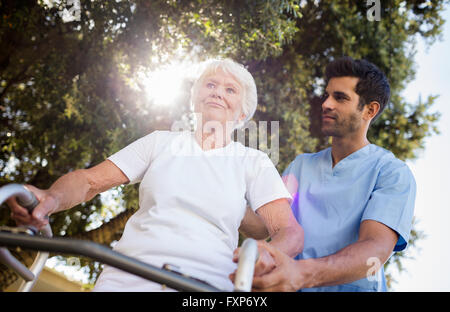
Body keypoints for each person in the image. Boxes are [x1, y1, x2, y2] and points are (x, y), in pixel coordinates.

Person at [6, 58, 303, 291]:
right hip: (128, 275)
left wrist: (265, 256)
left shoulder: (253, 161)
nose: (217, 93)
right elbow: (89, 181)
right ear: (195, 97)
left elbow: (288, 231)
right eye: (210, 84)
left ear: (242, 114)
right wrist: (51, 197)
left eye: (230, 89)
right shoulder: (161, 142)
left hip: (207, 285)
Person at [234, 56, 416, 292]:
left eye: (340, 97)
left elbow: (375, 249)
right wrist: (223, 198)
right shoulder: (301, 166)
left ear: (370, 110)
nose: (326, 104)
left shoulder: (391, 173)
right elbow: (263, 225)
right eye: (327, 95)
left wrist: (301, 274)